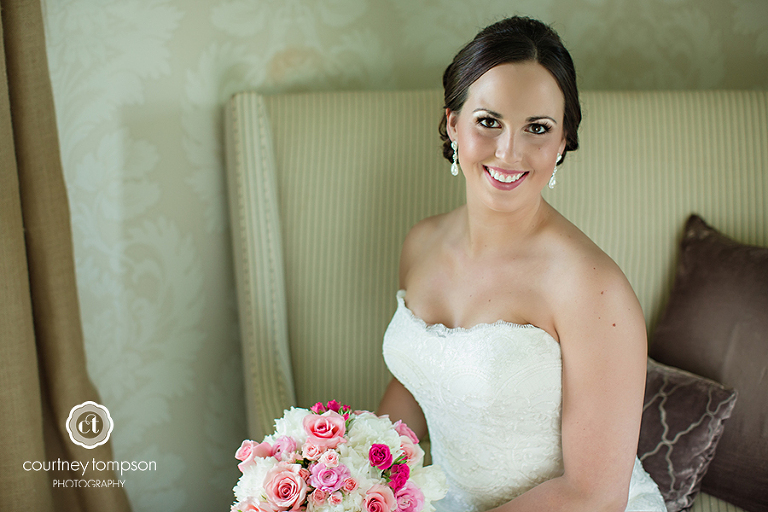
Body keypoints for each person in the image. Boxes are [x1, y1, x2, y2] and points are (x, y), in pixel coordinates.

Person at [377, 16, 666, 512]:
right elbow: (417, 384)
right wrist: (346, 478)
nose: (508, 152)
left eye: (537, 128)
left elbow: (594, 494)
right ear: (453, 124)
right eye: (488, 122)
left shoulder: (591, 288)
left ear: (562, 143)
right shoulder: (420, 244)